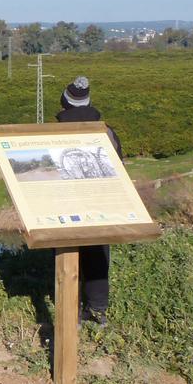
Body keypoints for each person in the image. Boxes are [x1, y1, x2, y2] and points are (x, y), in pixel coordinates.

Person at [56, 76, 123, 326]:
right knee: (97, 254)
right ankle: (97, 310)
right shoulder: (107, 131)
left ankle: (69, 310)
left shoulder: (54, 130)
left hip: (64, 205)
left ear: (65, 101)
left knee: (66, 254)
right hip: (100, 204)